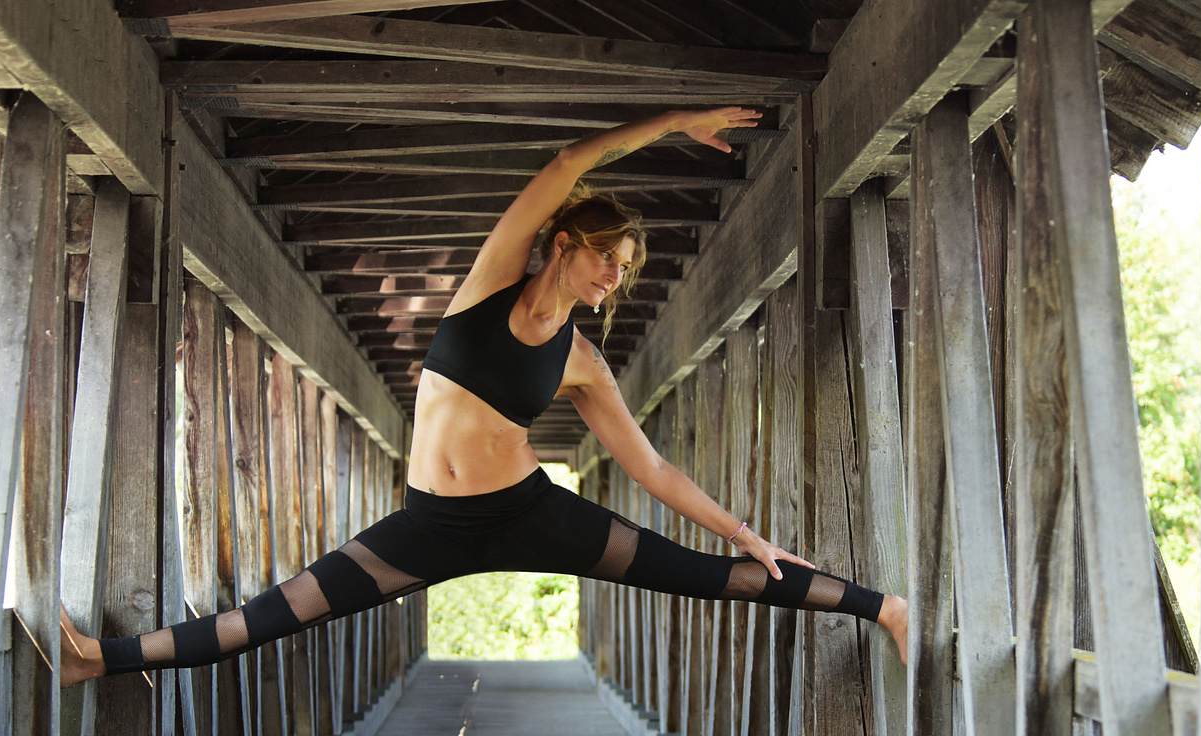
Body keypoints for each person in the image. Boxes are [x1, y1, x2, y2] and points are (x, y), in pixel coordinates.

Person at [60, 107, 908, 687]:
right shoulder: (487, 288)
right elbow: (569, 163)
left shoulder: (583, 361)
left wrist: (742, 530)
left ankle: (884, 609)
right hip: (429, 526)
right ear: (568, 244)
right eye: (608, 257)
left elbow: (645, 463)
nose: (615, 277)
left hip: (533, 511)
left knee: (711, 576)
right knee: (274, 614)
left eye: (626, 270)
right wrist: (673, 127)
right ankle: (100, 658)